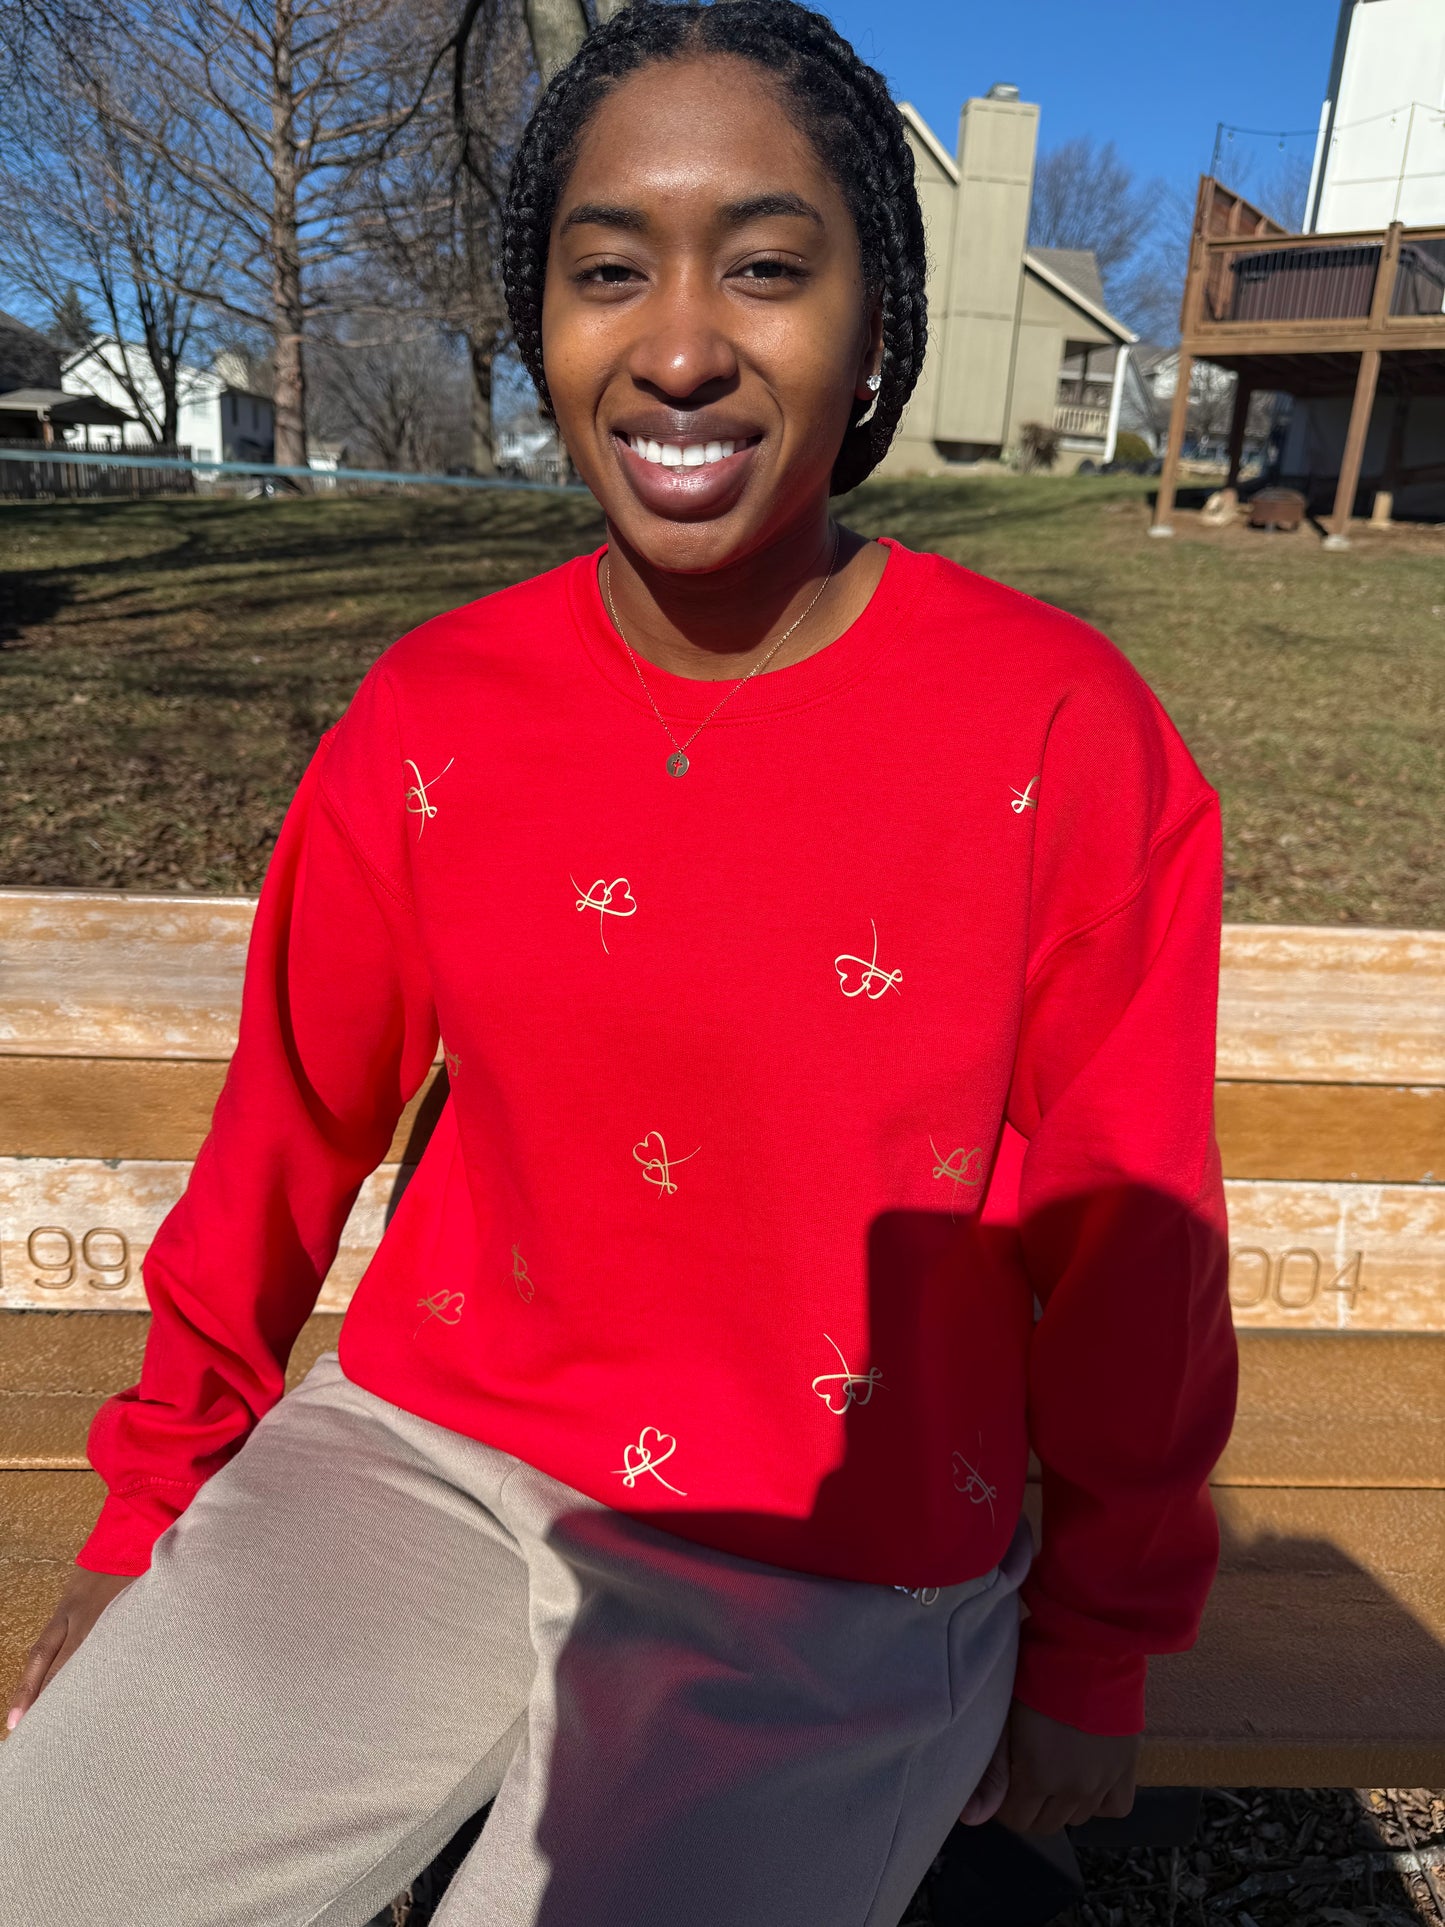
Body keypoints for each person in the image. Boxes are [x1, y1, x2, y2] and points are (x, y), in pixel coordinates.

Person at [0, 4, 1238, 1922]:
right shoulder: (437, 712)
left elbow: (1130, 1235)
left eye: (764, 266)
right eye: (606, 273)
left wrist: (1092, 1645)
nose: (677, 347)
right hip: (415, 1464)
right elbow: (290, 1125)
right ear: (542, 322)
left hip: (830, 1554)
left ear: (873, 318)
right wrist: (161, 1501)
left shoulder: (1057, 730)